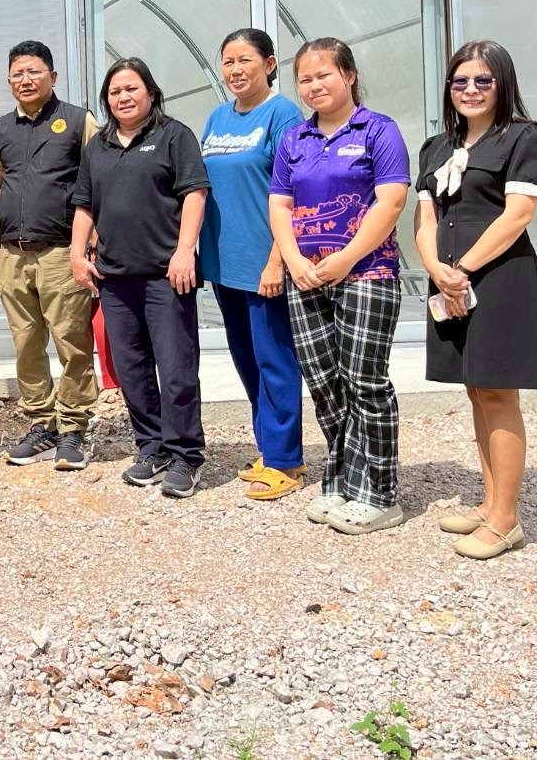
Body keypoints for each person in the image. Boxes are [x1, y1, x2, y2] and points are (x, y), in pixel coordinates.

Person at [414, 40, 537, 560]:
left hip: (497, 280)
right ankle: (490, 501)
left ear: (503, 84)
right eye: (460, 81)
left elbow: (517, 215)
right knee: (476, 391)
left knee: (498, 394)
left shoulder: (526, 138)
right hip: (449, 280)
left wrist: (462, 270)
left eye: (482, 80)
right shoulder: (436, 147)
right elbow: (424, 219)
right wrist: (434, 269)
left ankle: (506, 519)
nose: (469, 90)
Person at [270, 38, 410, 535]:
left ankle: (381, 492)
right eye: (305, 78)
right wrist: (293, 262)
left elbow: (390, 203)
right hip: (305, 278)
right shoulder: (294, 139)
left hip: (367, 274)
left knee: (365, 382)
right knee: (325, 385)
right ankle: (344, 477)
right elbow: (280, 206)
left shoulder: (378, 130)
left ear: (348, 75)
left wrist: (346, 259)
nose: (314, 85)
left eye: (323, 74)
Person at [70, 57, 210, 498]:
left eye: (131, 89)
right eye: (115, 92)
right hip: (115, 278)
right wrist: (78, 253)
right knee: (132, 371)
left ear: (150, 92)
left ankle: (186, 454)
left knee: (176, 370)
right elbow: (84, 204)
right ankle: (152, 447)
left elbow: (195, 193)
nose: (123, 97)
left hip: (166, 277)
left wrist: (185, 250)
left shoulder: (174, 136)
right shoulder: (99, 147)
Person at [200, 31, 307, 501]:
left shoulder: (282, 114)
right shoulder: (218, 118)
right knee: (247, 360)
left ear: (269, 63)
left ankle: (286, 461)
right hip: (226, 262)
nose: (235, 69)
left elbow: (295, 190)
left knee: (275, 360)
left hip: (265, 262)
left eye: (245, 60)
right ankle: (270, 449)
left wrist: (276, 260)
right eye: (228, 61)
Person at [0, 40, 99, 470]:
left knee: (72, 342)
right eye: (17, 73)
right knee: (26, 344)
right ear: (9, 80)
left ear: (52, 76)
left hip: (61, 253)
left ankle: (73, 429)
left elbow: (100, 180)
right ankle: (41, 422)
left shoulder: (77, 121)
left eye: (33, 72)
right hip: (13, 254)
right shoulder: (1, 127)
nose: (25, 80)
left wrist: (91, 243)